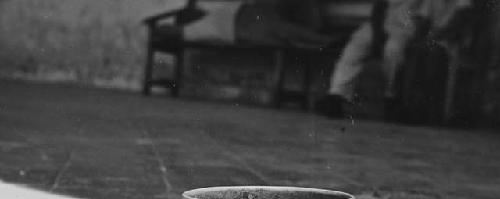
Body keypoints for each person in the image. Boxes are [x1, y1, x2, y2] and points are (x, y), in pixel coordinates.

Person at [319, 0, 473, 119]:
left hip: (405, 28)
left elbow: (424, 18)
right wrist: (378, 34)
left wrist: (421, 36)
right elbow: (379, 7)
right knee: (355, 47)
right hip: (379, 25)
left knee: (392, 51)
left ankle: (390, 97)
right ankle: (336, 96)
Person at [181, 0, 332, 48]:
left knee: (281, 26)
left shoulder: (212, 15)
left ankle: (319, 34)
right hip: (246, 27)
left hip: (252, 14)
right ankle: (323, 39)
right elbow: (170, 31)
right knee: (282, 30)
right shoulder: (196, 28)